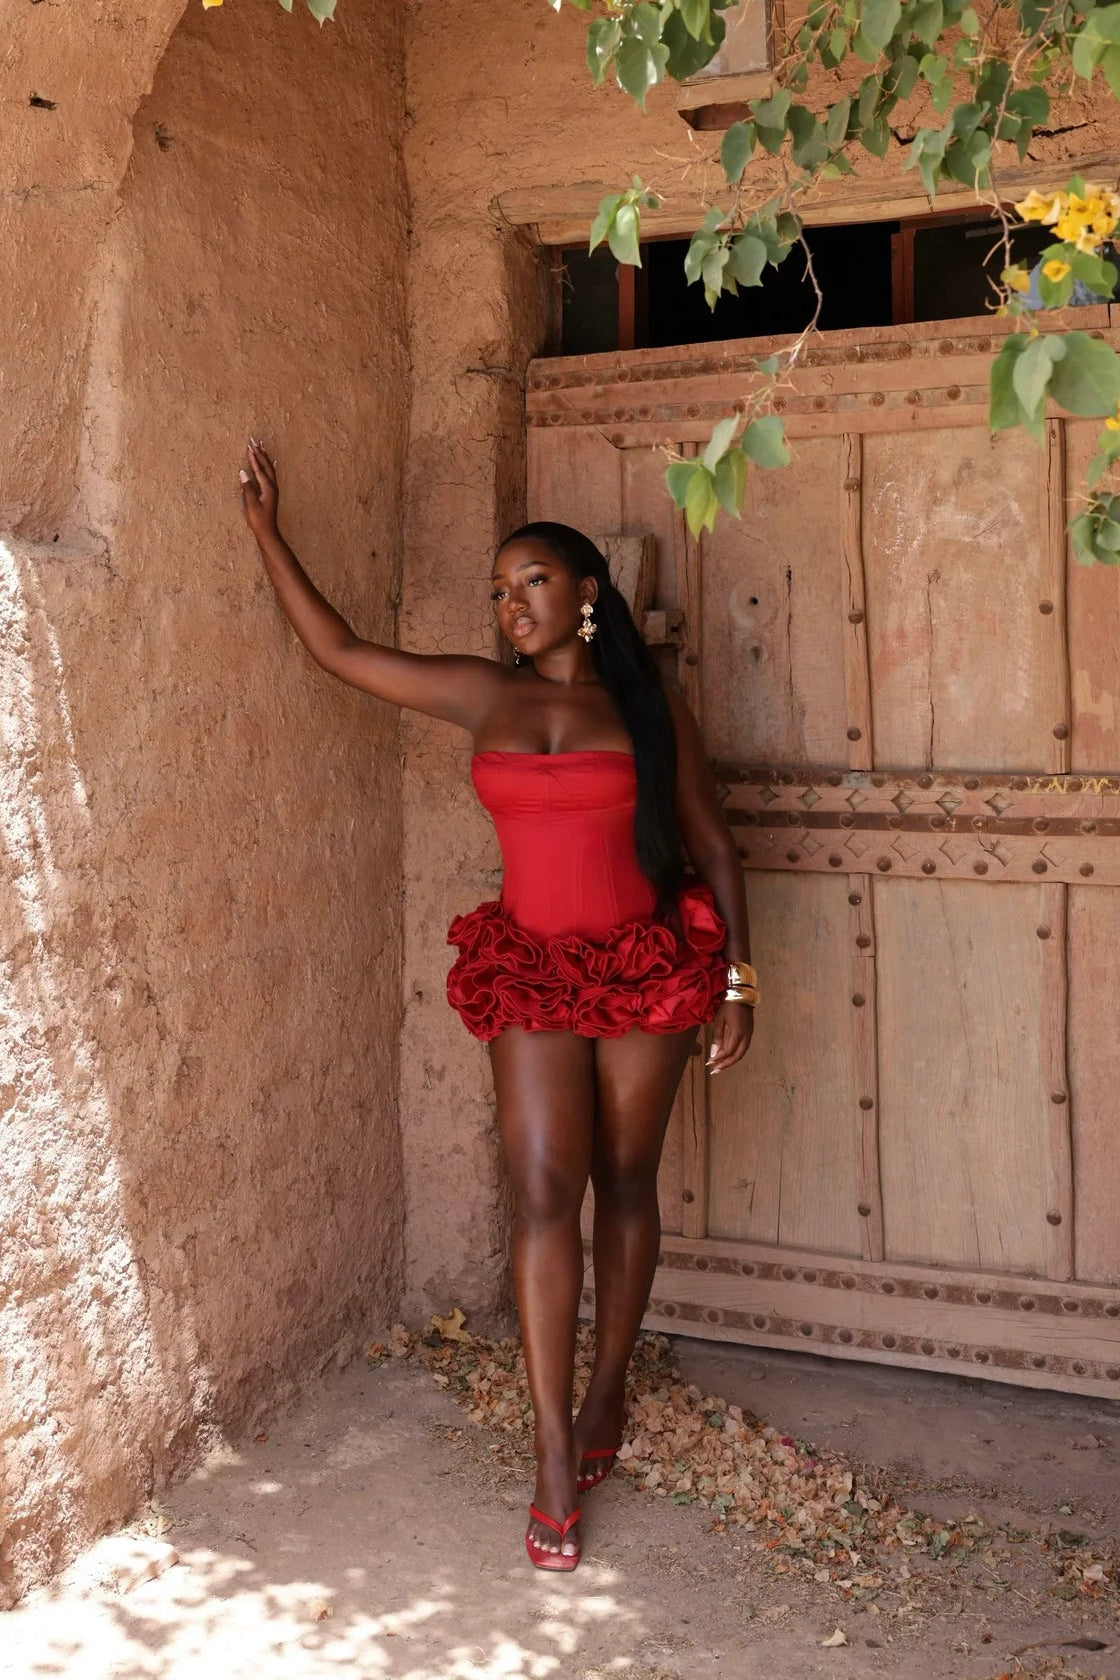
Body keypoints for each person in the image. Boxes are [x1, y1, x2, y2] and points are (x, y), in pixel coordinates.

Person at [238, 440, 755, 1572]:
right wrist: (266, 534)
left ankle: (607, 1390)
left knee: (625, 1183)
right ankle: (553, 1459)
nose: (509, 604)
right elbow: (337, 651)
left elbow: (712, 842)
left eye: (529, 583)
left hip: (643, 968)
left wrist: (735, 979)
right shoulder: (484, 694)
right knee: (538, 1194)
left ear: (584, 596)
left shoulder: (648, 706)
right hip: (530, 970)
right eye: (497, 590)